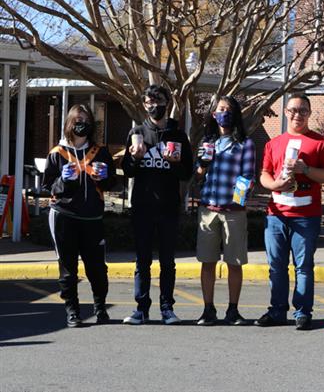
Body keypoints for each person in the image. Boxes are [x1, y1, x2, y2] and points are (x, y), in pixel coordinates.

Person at [255, 94, 324, 330]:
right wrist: (274, 185)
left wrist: (306, 169)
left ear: (309, 113)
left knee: (303, 266)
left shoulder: (320, 143)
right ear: (286, 113)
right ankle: (277, 311)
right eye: (293, 110)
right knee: (276, 266)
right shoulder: (274, 143)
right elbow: (264, 174)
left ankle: (303, 312)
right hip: (276, 215)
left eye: (303, 110)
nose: (297, 115)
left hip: (306, 215)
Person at [121, 84, 194, 325]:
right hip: (142, 206)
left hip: (168, 208)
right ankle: (141, 309)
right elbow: (128, 171)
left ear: (167, 103)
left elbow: (187, 173)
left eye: (158, 101)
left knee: (167, 262)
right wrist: (134, 156)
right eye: (149, 102)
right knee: (142, 260)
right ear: (144, 105)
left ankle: (167, 308)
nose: (154, 106)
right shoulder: (137, 132)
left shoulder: (179, 136)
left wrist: (173, 162)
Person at [43, 104, 116, 327]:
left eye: (86, 120)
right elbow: (48, 186)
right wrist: (63, 180)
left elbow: (112, 183)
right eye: (77, 120)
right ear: (69, 124)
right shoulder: (57, 153)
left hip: (92, 218)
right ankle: (72, 311)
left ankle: (100, 307)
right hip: (64, 216)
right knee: (68, 267)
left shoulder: (100, 151)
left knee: (97, 268)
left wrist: (103, 177)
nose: (81, 124)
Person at [194, 96, 256, 326]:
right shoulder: (208, 141)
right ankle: (208, 309)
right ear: (213, 114)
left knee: (234, 262)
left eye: (229, 110)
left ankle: (233, 309)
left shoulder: (244, 143)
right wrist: (202, 164)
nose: (224, 113)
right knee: (207, 261)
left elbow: (248, 176)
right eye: (220, 109)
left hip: (233, 212)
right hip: (208, 208)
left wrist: (238, 199)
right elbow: (198, 174)